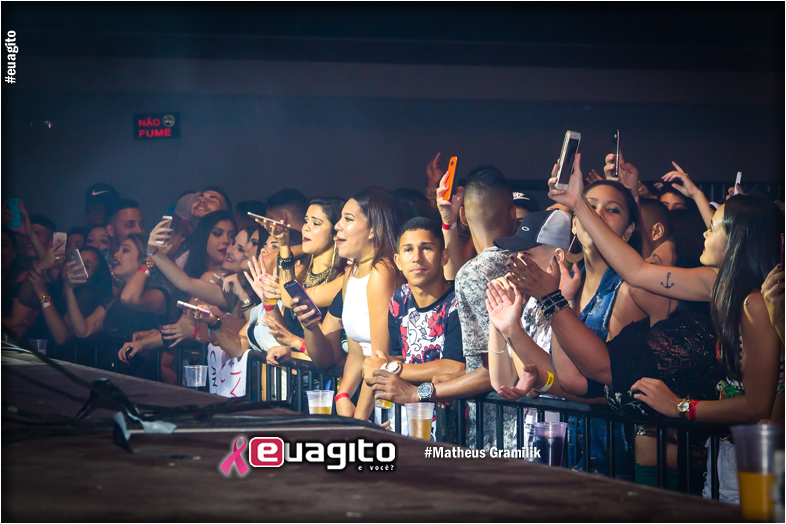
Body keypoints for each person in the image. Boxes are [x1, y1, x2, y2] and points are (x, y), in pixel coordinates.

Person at [548, 152, 782, 501]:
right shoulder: (717, 284)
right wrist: (577, 205)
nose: (705, 231)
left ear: (736, 241)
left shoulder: (756, 304)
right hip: (732, 451)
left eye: (714, 227)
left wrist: (680, 407)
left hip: (760, 457)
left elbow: (756, 406)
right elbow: (637, 271)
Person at [426, 165, 518, 450]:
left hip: (498, 427)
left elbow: (490, 372)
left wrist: (425, 392)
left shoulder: (474, 274)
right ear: (513, 213)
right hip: (533, 419)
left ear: (464, 216)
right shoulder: (526, 260)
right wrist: (457, 378)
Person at [292, 188, 404, 421]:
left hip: (389, 401)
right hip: (370, 397)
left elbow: (379, 359)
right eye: (340, 219)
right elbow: (356, 353)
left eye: (348, 219)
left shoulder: (381, 272)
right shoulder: (351, 273)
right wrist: (342, 395)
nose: (338, 226)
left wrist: (359, 422)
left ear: (373, 230)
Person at [363, 218, 466, 435]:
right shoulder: (399, 298)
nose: (417, 257)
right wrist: (378, 365)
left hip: (452, 426)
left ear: (444, 256)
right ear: (398, 261)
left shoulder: (458, 302)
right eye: (408, 250)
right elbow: (399, 356)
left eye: (426, 248)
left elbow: (455, 367)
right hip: (409, 421)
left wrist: (390, 368)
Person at [246, 198, 347, 365]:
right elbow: (284, 334)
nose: (306, 227)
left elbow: (288, 299)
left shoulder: (342, 279)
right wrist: (269, 301)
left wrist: (285, 246)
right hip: (295, 368)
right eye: (306, 221)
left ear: (335, 232)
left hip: (323, 372)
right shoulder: (298, 272)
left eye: (316, 223)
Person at [64, 234, 172, 377]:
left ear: (142, 260)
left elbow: (129, 298)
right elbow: (83, 331)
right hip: (113, 377)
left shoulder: (158, 295)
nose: (116, 254)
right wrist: (68, 288)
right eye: (118, 249)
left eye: (125, 250)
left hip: (143, 380)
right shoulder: (113, 300)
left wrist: (150, 261)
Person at [26, 246, 113, 360]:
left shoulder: (85, 295)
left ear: (92, 279)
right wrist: (40, 267)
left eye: (86, 266)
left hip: (63, 363)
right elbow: (24, 299)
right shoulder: (58, 288)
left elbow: (62, 337)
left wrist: (42, 294)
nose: (76, 267)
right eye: (76, 261)